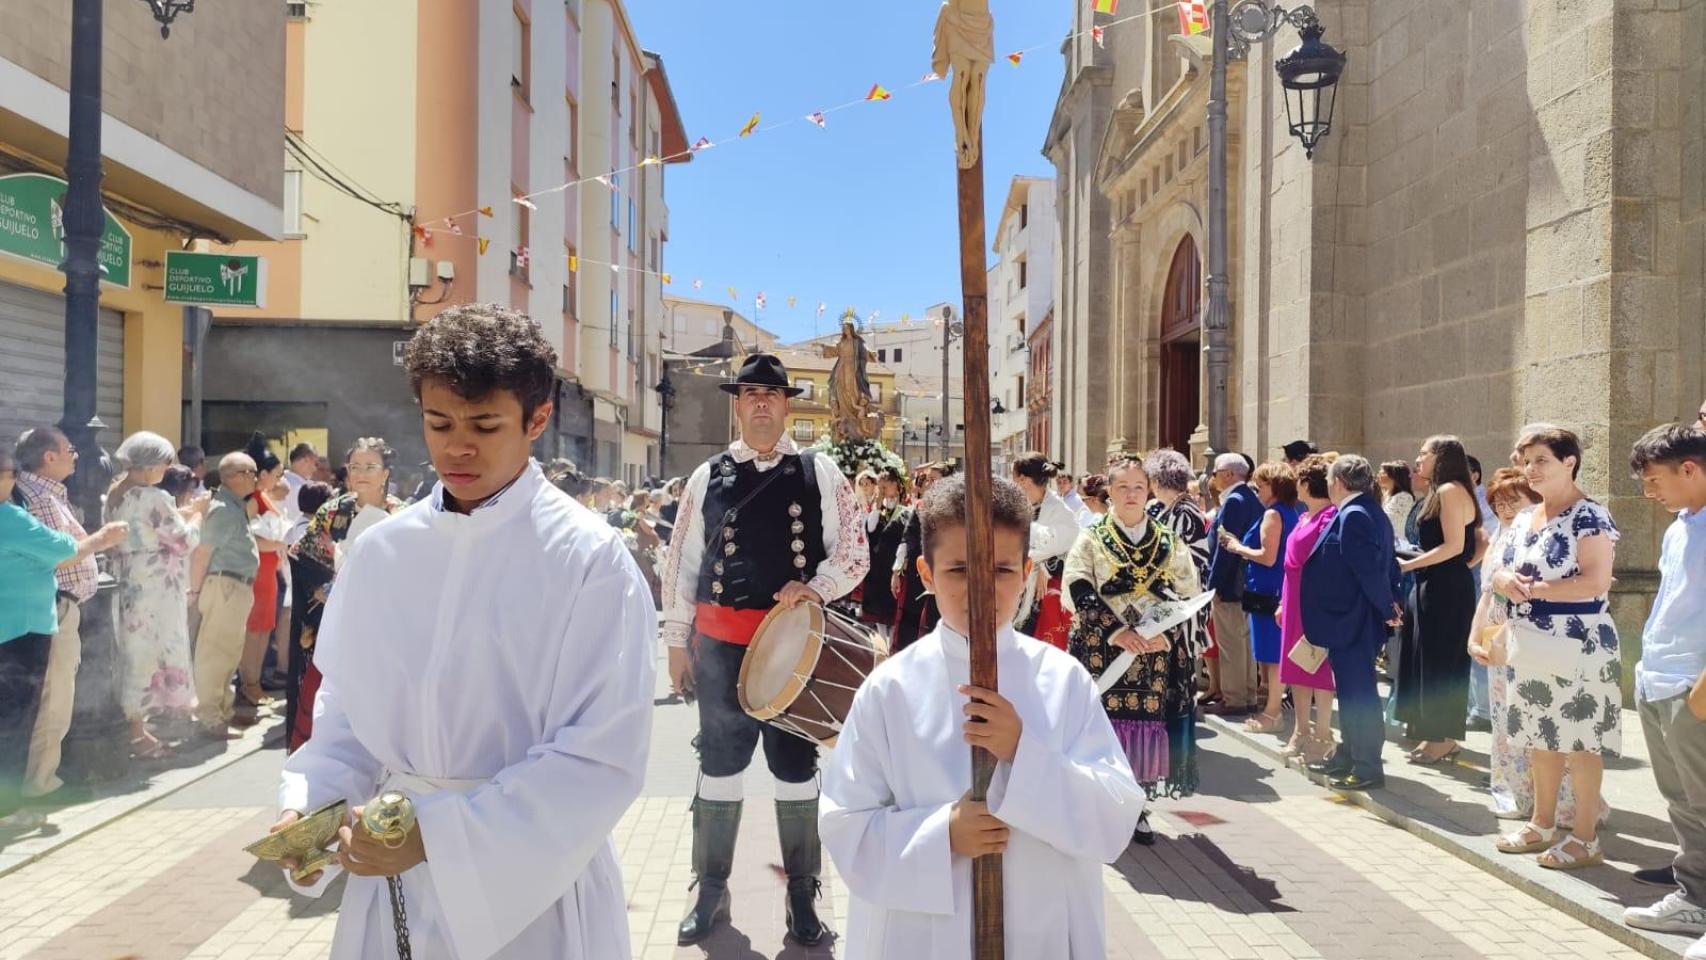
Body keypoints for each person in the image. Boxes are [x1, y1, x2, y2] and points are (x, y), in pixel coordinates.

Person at [273, 303, 657, 960]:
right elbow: (344, 723)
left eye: (485, 425)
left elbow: (599, 756)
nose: (457, 447)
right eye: (438, 423)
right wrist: (306, 828)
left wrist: (439, 836)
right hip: (389, 880)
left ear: (536, 419)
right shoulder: (383, 553)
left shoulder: (587, 558)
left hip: (534, 891)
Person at [819, 474, 1145, 959]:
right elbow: (847, 825)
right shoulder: (890, 690)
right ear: (926, 575)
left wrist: (1022, 752)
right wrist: (941, 834)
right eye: (958, 570)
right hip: (926, 937)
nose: (981, 589)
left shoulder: (1063, 681)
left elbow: (1114, 817)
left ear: (1028, 572)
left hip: (1041, 929)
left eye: (1001, 570)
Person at [658, 352, 870, 947]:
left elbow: (855, 553)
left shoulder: (820, 472)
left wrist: (817, 587)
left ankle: (803, 893)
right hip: (721, 650)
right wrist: (677, 644)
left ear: (786, 404)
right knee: (719, 771)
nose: (760, 402)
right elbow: (682, 564)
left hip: (795, 656)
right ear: (737, 403)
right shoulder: (707, 476)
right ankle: (710, 889)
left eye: (771, 394)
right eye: (749, 393)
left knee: (797, 774)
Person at [1491, 425, 1620, 871]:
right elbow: (1502, 571)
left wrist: (1535, 591)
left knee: (1582, 742)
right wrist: (1504, 581)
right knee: (1538, 735)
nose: (1531, 469)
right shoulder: (1527, 517)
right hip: (1531, 641)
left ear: (1570, 462)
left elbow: (1596, 580)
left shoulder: (1590, 515)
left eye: (1541, 460)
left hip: (1579, 641)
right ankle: (1541, 823)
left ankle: (1584, 837)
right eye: (1526, 461)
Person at [1062, 456, 1203, 844]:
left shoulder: (1168, 540)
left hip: (1152, 653)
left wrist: (1167, 635)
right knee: (1101, 726)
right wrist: (1116, 631)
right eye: (1122, 487)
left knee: (1143, 728)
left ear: (1149, 490)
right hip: (1102, 649)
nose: (1130, 494)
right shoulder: (1091, 537)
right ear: (1109, 491)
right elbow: (1077, 585)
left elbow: (1188, 592)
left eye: (1138, 487)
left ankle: (1135, 807)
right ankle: (1098, 806)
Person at [0, 445, 125, 828]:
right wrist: (103, 537)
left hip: (15, 624)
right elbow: (64, 552)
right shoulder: (10, 518)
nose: (14, 478)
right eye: (8, 472)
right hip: (20, 628)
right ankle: (9, 809)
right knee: (15, 721)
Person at [1620, 424, 1706, 950]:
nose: (1649, 492)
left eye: (1654, 480)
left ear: (1690, 469)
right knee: (1682, 801)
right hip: (1658, 679)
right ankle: (1694, 898)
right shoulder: (1679, 527)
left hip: (1692, 684)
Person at [1469, 468, 1590, 826]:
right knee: (1505, 719)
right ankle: (1517, 794)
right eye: (1499, 502)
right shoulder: (1498, 536)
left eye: (1513, 500)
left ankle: (1564, 804)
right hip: (1498, 631)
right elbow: (1487, 591)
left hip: (1531, 633)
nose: (1505, 509)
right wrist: (1474, 636)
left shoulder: (1541, 534)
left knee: (1540, 719)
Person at [285, 439, 404, 751]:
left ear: (386, 473)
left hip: (382, 620)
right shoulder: (332, 511)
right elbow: (304, 558)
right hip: (333, 615)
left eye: (370, 467)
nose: (361, 473)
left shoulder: (401, 515)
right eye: (355, 467)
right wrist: (325, 588)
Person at [1302, 455, 1400, 791]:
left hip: (1353, 622)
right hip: (1349, 621)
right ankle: (1348, 754)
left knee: (1359, 695)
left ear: (1339, 482)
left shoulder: (1357, 514)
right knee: (1351, 691)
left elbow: (1370, 570)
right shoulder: (1363, 510)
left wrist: (1388, 608)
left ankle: (1367, 766)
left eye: (1329, 479)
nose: (1327, 484)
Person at [105, 432, 203, 758]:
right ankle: (140, 734)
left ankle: (137, 728)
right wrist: (198, 515)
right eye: (164, 462)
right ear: (151, 465)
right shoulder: (154, 497)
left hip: (131, 579)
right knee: (155, 649)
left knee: (134, 652)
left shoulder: (117, 493)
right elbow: (181, 540)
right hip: (157, 585)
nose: (167, 467)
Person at [1394, 435, 1482, 764]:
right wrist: (1458, 569)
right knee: (1427, 661)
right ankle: (1436, 736)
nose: (1417, 460)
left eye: (1424, 454)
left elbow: (1455, 546)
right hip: (1437, 583)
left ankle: (1441, 739)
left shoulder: (1448, 491)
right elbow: (1479, 543)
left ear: (1441, 457)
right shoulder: (1446, 491)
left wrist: (1409, 564)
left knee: (1440, 663)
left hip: (1442, 589)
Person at [1216, 461, 1300, 733]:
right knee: (1270, 654)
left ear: (1274, 486)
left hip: (1267, 590)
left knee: (1272, 656)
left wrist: (1238, 547)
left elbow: (1267, 556)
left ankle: (1272, 713)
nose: (1258, 490)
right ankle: (1272, 707)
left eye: (1261, 485)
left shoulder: (1273, 514)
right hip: (1273, 588)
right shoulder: (1288, 511)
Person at [188, 452, 261, 738]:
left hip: (234, 587)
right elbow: (202, 553)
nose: (255, 477)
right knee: (215, 654)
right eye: (251, 472)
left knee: (227, 653)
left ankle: (219, 714)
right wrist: (194, 591)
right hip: (225, 587)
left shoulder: (232, 506)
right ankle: (210, 717)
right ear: (236, 476)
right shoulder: (223, 509)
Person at [1276, 454, 1339, 764]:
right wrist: (1281, 602)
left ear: (1306, 483)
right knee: (1296, 668)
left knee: (1319, 669)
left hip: (1315, 602)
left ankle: (1323, 733)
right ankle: (1300, 731)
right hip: (1293, 599)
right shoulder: (1304, 517)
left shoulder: (1330, 517)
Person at [1205, 452, 1262, 716]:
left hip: (1231, 584)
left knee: (1231, 643)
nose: (1213, 477)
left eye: (1215, 472)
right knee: (1243, 642)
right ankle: (1247, 694)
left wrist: (1213, 585)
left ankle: (1235, 698)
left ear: (1228, 474)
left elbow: (1226, 548)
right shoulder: (1247, 498)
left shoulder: (1236, 500)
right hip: (1244, 582)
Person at [1012, 452, 1080, 651]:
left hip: (1045, 595)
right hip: (1017, 587)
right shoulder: (1017, 508)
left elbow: (1071, 547)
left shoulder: (1061, 512)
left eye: (1014, 478)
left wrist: (1044, 565)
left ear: (1023, 480)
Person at [892, 462, 951, 652]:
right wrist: (896, 570)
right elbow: (907, 537)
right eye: (927, 480)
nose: (928, 484)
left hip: (943, 575)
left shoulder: (957, 508)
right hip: (917, 574)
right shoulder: (920, 506)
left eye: (934, 480)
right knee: (910, 624)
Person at [860, 471, 909, 639]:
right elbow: (871, 529)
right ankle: (883, 645)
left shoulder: (906, 509)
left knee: (894, 613)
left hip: (893, 566)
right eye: (879, 487)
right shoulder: (879, 509)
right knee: (878, 613)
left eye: (885, 487)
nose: (881, 491)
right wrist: (877, 506)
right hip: (877, 568)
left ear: (896, 485)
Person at [1378, 461, 1416, 544]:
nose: (1379, 475)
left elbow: (1386, 519)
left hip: (1397, 543)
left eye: (1383, 472)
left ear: (1394, 477)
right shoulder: (1387, 496)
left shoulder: (1404, 497)